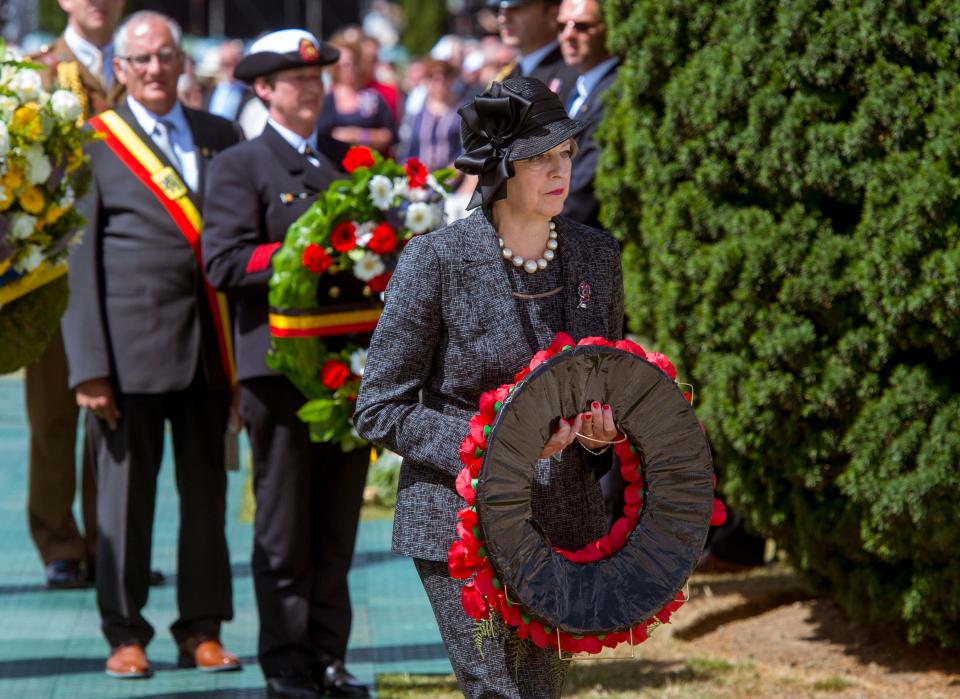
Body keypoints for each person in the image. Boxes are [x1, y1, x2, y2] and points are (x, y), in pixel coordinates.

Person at [354, 76, 625, 698]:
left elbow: (602, 385)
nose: (561, 171)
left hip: (564, 518)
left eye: (567, 155)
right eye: (541, 158)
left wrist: (598, 438)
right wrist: (497, 444)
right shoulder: (435, 259)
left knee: (543, 691)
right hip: (459, 518)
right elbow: (379, 408)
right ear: (501, 168)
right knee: (497, 689)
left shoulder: (598, 257)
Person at [60, 10, 242, 679]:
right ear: (120, 70)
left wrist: (245, 364)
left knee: (207, 505)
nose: (156, 69)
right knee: (122, 507)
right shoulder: (94, 144)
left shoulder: (222, 136)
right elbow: (77, 266)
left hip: (210, 354)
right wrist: (89, 367)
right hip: (125, 360)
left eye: (166, 56)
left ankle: (202, 628)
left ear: (182, 62)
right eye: (141, 60)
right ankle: (124, 631)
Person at [202, 30, 371, 699]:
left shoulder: (347, 164)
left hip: (349, 371)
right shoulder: (242, 166)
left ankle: (329, 655)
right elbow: (223, 262)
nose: (311, 87)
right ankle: (287, 662)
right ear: (263, 89)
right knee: (283, 524)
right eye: (294, 79)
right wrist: (302, 250)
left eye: (317, 77)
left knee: (337, 523)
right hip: (282, 374)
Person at [26, 0, 124, 591]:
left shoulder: (142, 65)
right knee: (53, 413)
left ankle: (111, 540)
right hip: (56, 272)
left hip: (127, 269)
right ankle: (60, 542)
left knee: (122, 413)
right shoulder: (38, 73)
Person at [558, 0, 619, 229]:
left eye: (582, 26)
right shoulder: (577, 87)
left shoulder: (615, 91)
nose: (568, 35)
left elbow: (583, 188)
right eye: (561, 26)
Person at [316, 38, 397, 155]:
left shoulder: (373, 97)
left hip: (371, 165)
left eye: (353, 63)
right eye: (344, 65)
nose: (350, 68)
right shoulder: (327, 100)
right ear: (336, 68)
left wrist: (357, 135)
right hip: (335, 166)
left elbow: (389, 136)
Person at [489, 0, 578, 104]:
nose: (502, 19)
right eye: (499, 10)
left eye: (516, 9)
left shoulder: (572, 72)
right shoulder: (509, 74)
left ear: (553, 15)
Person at [396, 57, 463, 173]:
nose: (440, 82)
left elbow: (465, 152)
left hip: (453, 181)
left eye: (445, 76)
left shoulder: (463, 111)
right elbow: (407, 147)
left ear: (452, 78)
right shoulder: (416, 108)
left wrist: (446, 178)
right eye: (433, 77)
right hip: (420, 179)